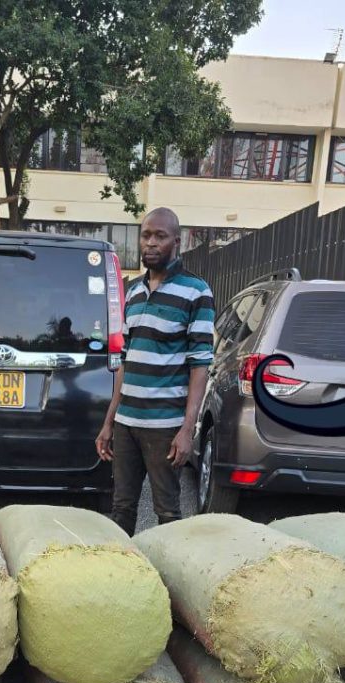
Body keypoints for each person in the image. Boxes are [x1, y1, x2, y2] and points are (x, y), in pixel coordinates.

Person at [95, 207, 214, 534]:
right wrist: (109, 422)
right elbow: (124, 363)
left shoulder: (196, 291)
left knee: (167, 512)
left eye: (159, 236)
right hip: (126, 424)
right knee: (121, 507)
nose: (150, 243)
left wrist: (188, 429)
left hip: (164, 426)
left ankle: (170, 580)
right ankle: (124, 577)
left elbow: (200, 365)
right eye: (145, 235)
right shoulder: (132, 292)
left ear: (176, 242)